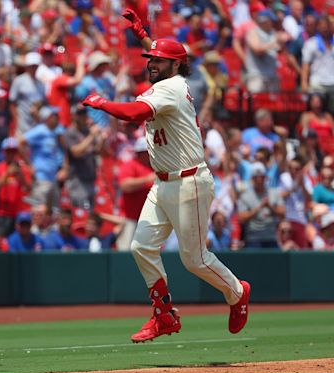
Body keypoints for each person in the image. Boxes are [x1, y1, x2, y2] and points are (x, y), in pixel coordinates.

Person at [81, 8, 251, 343]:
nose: (151, 63)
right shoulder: (168, 78)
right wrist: (143, 34)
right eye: (149, 59)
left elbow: (134, 113)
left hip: (190, 181)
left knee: (195, 260)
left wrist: (102, 103)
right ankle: (164, 316)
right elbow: (163, 56)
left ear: (176, 66)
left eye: (158, 60)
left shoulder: (171, 87)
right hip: (162, 182)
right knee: (141, 246)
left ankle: (237, 292)